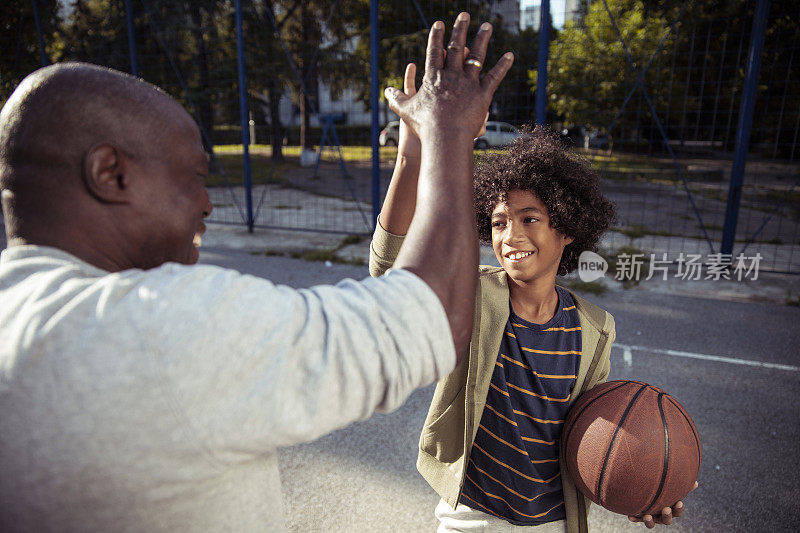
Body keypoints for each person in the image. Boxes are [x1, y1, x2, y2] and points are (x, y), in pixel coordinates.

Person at [0, 13, 513, 531]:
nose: (206, 204)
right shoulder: (156, 324)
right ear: (110, 174)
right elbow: (431, 315)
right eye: (195, 177)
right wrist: (448, 126)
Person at [370, 71, 697, 531]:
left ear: (566, 228)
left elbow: (589, 436)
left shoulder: (594, 328)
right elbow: (389, 270)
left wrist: (643, 486)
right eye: (500, 222)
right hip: (473, 516)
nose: (511, 236)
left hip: (552, 521)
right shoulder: (475, 294)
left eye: (530, 218)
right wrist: (412, 151)